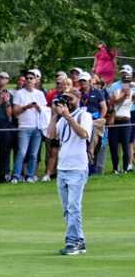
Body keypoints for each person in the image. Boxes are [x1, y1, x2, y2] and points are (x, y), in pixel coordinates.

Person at [48, 88, 95, 255]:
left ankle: (72, 241)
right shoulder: (61, 119)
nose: (67, 101)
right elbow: (51, 135)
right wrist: (55, 115)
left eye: (70, 98)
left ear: (78, 98)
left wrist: (68, 116)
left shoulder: (84, 116)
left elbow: (83, 134)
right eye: (65, 98)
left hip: (78, 167)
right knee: (67, 209)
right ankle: (79, 240)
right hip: (63, 168)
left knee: (74, 207)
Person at [9, 70, 48, 182]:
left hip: (37, 128)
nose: (29, 80)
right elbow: (15, 112)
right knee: (21, 152)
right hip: (24, 127)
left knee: (34, 154)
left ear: (36, 80)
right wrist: (26, 107)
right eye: (27, 78)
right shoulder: (19, 93)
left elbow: (45, 111)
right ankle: (16, 175)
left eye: (32, 78)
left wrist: (38, 108)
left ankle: (30, 175)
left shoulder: (40, 94)